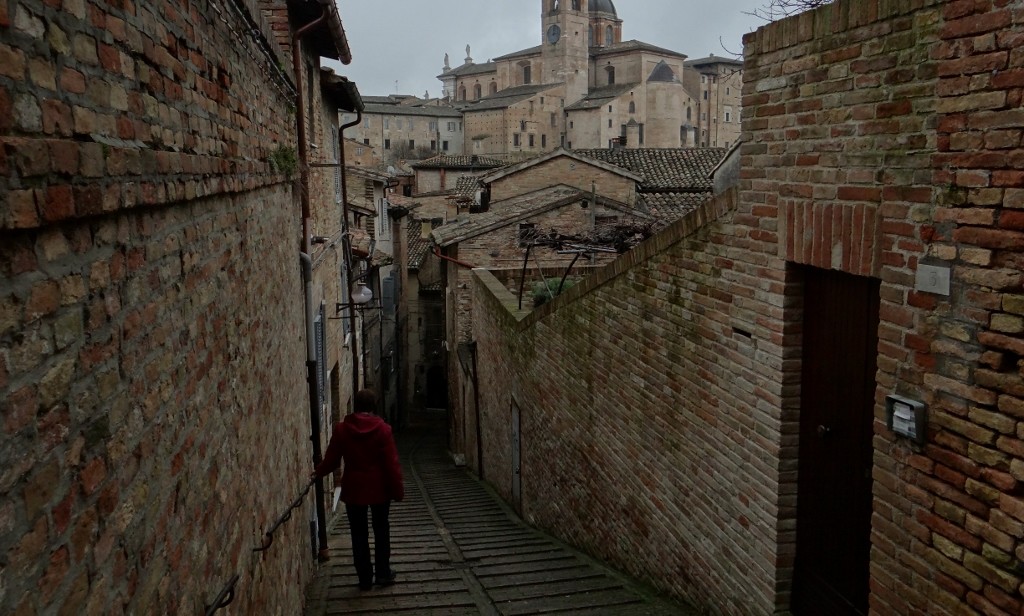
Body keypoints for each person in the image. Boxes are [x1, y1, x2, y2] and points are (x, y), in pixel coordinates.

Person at [313, 389, 404, 590]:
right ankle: (382, 573)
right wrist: (397, 490)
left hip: (354, 488)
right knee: (381, 530)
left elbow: (332, 459)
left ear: (356, 406)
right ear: (373, 407)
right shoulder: (383, 430)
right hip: (380, 489)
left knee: (358, 534)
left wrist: (318, 472)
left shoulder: (342, 430)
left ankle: (364, 578)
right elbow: (392, 464)